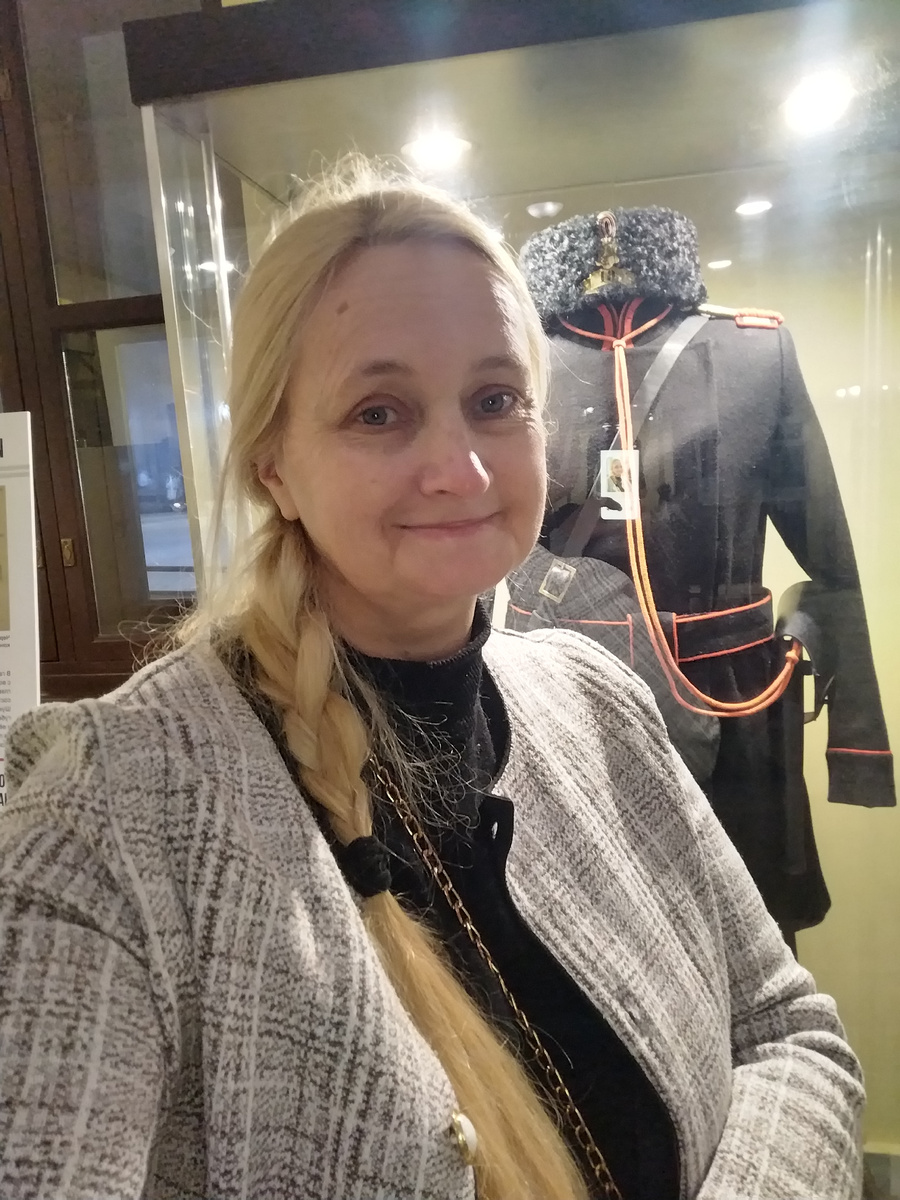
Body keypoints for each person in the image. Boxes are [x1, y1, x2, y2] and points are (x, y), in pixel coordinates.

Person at [0, 162, 864, 1200]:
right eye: (379, 412)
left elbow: (786, 1029)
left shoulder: (596, 701)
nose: (463, 470)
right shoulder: (110, 817)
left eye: (495, 400)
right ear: (272, 462)